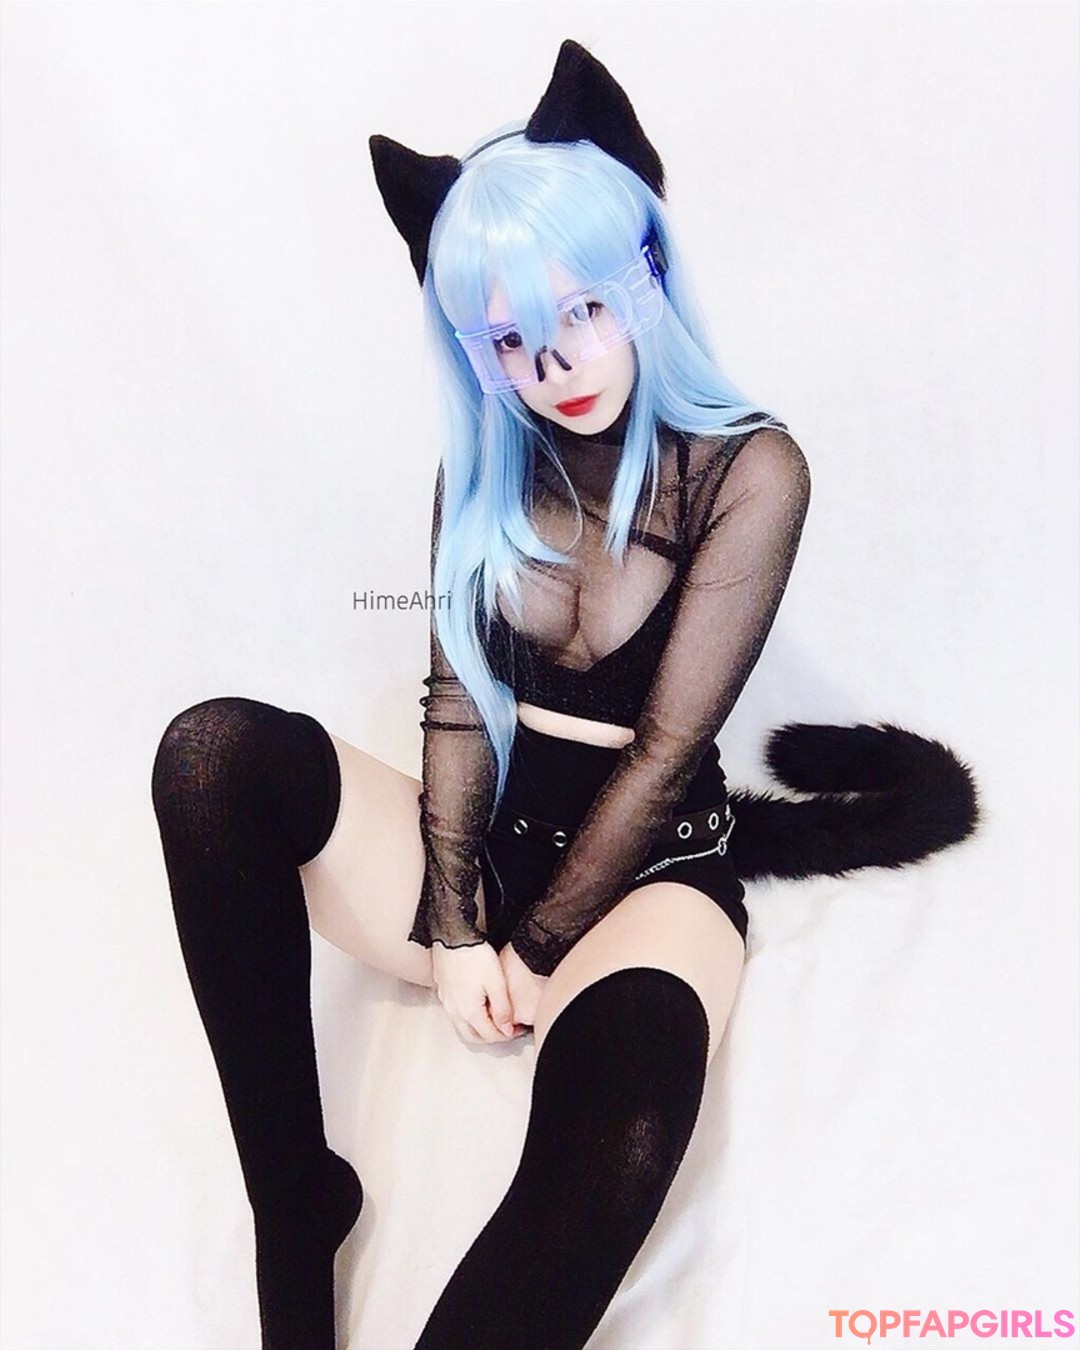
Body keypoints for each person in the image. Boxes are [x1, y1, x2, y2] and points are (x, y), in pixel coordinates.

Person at [150, 40, 979, 1350]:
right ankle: (294, 1203)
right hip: (485, 851)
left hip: (649, 871)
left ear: (641, 271)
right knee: (208, 757)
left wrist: (536, 948)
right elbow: (455, 699)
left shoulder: (751, 471)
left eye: (583, 308)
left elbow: (666, 749)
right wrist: (458, 924)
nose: (559, 362)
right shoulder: (486, 463)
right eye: (513, 338)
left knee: (626, 1125)